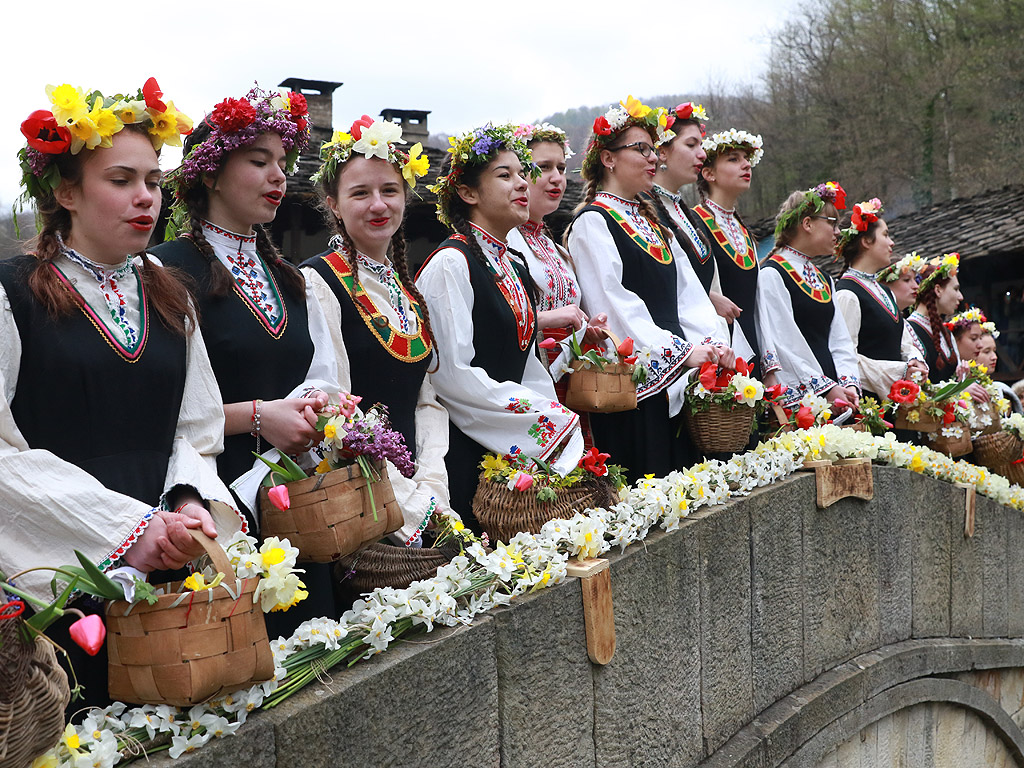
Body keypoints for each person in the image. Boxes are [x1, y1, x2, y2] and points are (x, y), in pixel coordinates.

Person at [3, 80, 242, 707]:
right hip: (56, 562)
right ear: (65, 192)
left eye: (155, 182)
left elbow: (195, 427)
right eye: (121, 180)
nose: (146, 198)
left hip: (171, 558)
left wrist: (189, 500)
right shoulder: (13, 292)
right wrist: (123, 528)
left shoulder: (169, 290)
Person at [154, 86, 341, 628]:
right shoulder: (166, 271)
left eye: (283, 162)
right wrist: (260, 415)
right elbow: (167, 412)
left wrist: (317, 409)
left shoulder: (290, 276)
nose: (279, 176)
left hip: (300, 502)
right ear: (210, 173)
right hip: (215, 501)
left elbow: (319, 374)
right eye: (259, 161)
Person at [416, 123, 584, 529]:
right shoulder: (451, 264)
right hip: (469, 443)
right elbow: (451, 374)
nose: (522, 185)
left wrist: (550, 414)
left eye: (522, 175)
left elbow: (527, 364)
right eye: (504, 176)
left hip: (513, 443)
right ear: (468, 193)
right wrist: (538, 417)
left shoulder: (513, 264)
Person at [566, 97, 734, 477]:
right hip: (637, 389)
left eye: (653, 150)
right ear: (608, 158)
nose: (653, 159)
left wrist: (712, 344)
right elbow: (616, 307)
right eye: (640, 149)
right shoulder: (593, 223)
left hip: (682, 379)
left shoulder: (655, 224)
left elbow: (689, 296)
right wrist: (680, 354)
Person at [301, 115, 448, 547]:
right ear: (333, 203)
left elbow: (428, 400)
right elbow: (332, 407)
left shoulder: (407, 290)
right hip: (358, 496)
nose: (378, 205)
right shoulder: (317, 282)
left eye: (389, 190)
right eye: (360, 193)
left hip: (421, 493)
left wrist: (432, 487)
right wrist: (406, 504)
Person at [505, 122, 607, 448]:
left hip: (569, 381)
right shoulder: (503, 241)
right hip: (529, 381)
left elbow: (567, 309)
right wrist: (551, 319)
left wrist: (585, 328)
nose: (557, 178)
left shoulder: (554, 245)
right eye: (544, 167)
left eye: (562, 167)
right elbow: (500, 317)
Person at [756, 182, 860, 408]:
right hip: (803, 399)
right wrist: (827, 389)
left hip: (835, 394)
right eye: (832, 223)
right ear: (807, 224)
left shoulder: (825, 280)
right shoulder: (773, 275)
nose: (837, 232)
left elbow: (840, 341)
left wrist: (848, 384)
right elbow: (783, 345)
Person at [693, 127, 773, 376]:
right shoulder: (694, 223)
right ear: (709, 174)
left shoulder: (744, 231)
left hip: (754, 352)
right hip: (720, 354)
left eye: (747, 160)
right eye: (734, 159)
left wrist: (769, 365)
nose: (746, 165)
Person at [833, 198, 927, 400]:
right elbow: (845, 358)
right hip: (868, 405)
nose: (892, 242)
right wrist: (899, 371)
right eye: (885, 235)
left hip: (896, 400)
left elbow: (905, 343)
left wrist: (914, 361)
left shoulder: (886, 293)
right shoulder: (847, 294)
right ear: (866, 241)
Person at [906, 253, 967, 384]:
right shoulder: (908, 330)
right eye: (956, 289)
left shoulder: (946, 334)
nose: (960, 297)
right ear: (938, 290)